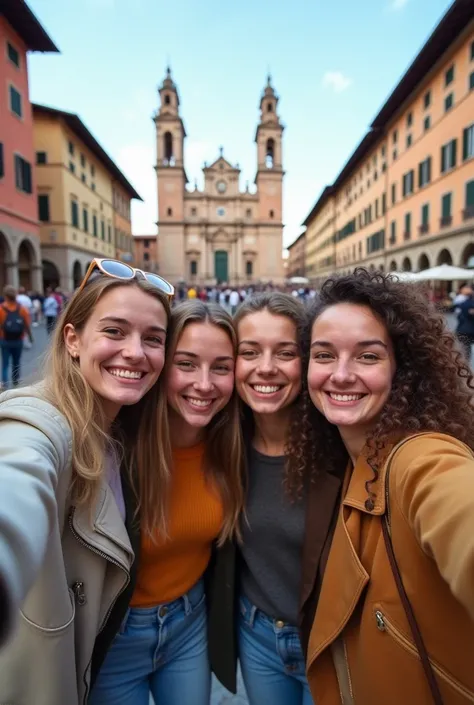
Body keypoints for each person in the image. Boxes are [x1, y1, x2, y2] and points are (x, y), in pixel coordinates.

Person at [0, 258, 173, 705]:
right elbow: (17, 473)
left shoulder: (125, 429)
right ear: (73, 339)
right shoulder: (40, 422)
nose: (136, 352)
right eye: (114, 331)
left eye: (153, 339)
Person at [305, 269, 474, 705]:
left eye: (367, 356)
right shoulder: (345, 457)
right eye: (324, 355)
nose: (341, 375)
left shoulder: (422, 459)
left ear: (403, 368)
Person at [89, 300, 244, 705]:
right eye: (186, 363)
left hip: (188, 626)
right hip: (116, 637)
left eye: (222, 367)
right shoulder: (114, 446)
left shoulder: (232, 447)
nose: (205, 384)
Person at [229, 293, 343, 705]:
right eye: (250, 352)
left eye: (285, 352)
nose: (266, 368)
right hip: (257, 636)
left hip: (333, 644)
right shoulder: (222, 443)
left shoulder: (342, 442)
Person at [0, 284, 33, 388]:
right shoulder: (22, 309)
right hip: (18, 339)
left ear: (5, 295)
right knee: (16, 361)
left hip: (4, 339)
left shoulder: (1, 309)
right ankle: (16, 381)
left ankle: (4, 383)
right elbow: (27, 325)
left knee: (5, 363)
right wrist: (31, 337)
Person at [456, 284, 474, 361]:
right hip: (466, 330)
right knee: (465, 351)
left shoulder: (464, 302)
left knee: (465, 352)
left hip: (464, 329)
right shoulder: (465, 301)